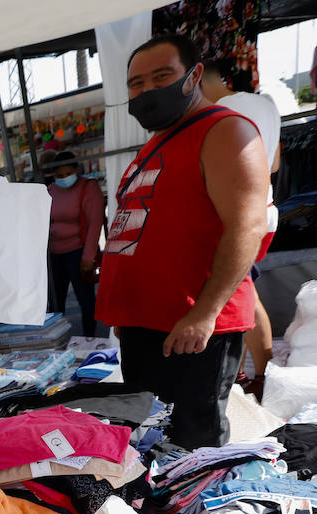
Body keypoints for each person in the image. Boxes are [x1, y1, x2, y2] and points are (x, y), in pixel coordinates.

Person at [97, 34, 269, 449]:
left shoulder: (225, 131)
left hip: (190, 325)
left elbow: (247, 227)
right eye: (135, 84)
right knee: (149, 435)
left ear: (193, 76)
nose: (146, 91)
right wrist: (127, 313)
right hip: (145, 324)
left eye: (161, 77)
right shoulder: (156, 143)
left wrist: (205, 313)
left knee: (192, 443)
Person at [201, 58, 283, 391]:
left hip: (237, 215)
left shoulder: (220, 110)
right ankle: (254, 375)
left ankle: (254, 376)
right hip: (265, 208)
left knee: (238, 293)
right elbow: (275, 162)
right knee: (243, 291)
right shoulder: (267, 104)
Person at [45, 151, 106, 337]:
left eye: (66, 174)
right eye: (59, 176)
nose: (63, 179)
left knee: (86, 301)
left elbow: (95, 224)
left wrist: (88, 257)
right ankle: (58, 340)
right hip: (55, 253)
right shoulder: (51, 190)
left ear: (75, 170)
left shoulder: (89, 187)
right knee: (55, 302)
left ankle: (89, 338)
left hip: (79, 252)